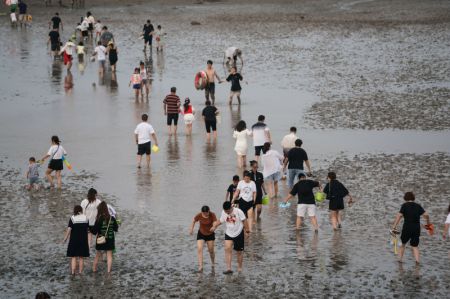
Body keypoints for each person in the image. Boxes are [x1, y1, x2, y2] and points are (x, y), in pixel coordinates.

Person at [210, 201, 249, 274]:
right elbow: (221, 221)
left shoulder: (238, 211)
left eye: (228, 211)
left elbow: (244, 220)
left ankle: (240, 268)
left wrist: (247, 231)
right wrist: (214, 226)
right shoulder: (224, 212)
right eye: (226, 211)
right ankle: (228, 269)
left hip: (239, 233)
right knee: (227, 249)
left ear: (231, 207)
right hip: (229, 233)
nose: (227, 213)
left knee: (239, 252)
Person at [392, 192, 431, 264]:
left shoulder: (404, 205)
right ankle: (417, 261)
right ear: (413, 197)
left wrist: (394, 226)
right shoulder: (418, 206)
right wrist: (428, 223)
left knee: (402, 244)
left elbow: (399, 216)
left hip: (407, 227)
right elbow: (426, 215)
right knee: (415, 246)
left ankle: (400, 259)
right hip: (416, 228)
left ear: (405, 198)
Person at [62, 205, 89, 275]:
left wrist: (65, 239)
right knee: (81, 257)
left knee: (73, 257)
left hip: (74, 240)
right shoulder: (86, 218)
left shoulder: (72, 218)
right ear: (81, 210)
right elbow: (88, 229)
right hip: (83, 240)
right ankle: (80, 272)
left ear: (75, 210)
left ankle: (73, 272)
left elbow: (69, 230)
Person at [92, 201, 118, 273]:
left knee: (98, 255)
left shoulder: (99, 219)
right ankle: (108, 270)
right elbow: (116, 228)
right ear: (106, 209)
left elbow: (94, 231)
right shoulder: (112, 218)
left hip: (101, 240)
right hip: (110, 239)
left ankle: (94, 269)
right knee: (109, 255)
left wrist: (89, 228)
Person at [189, 206, 217, 272]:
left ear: (208, 211)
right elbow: (193, 221)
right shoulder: (199, 215)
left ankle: (213, 263)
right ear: (202, 212)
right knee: (199, 248)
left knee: (211, 250)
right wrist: (191, 229)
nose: (205, 214)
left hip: (210, 234)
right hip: (201, 233)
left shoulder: (212, 214)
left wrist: (214, 227)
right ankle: (200, 266)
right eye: (203, 213)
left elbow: (215, 222)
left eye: (206, 213)